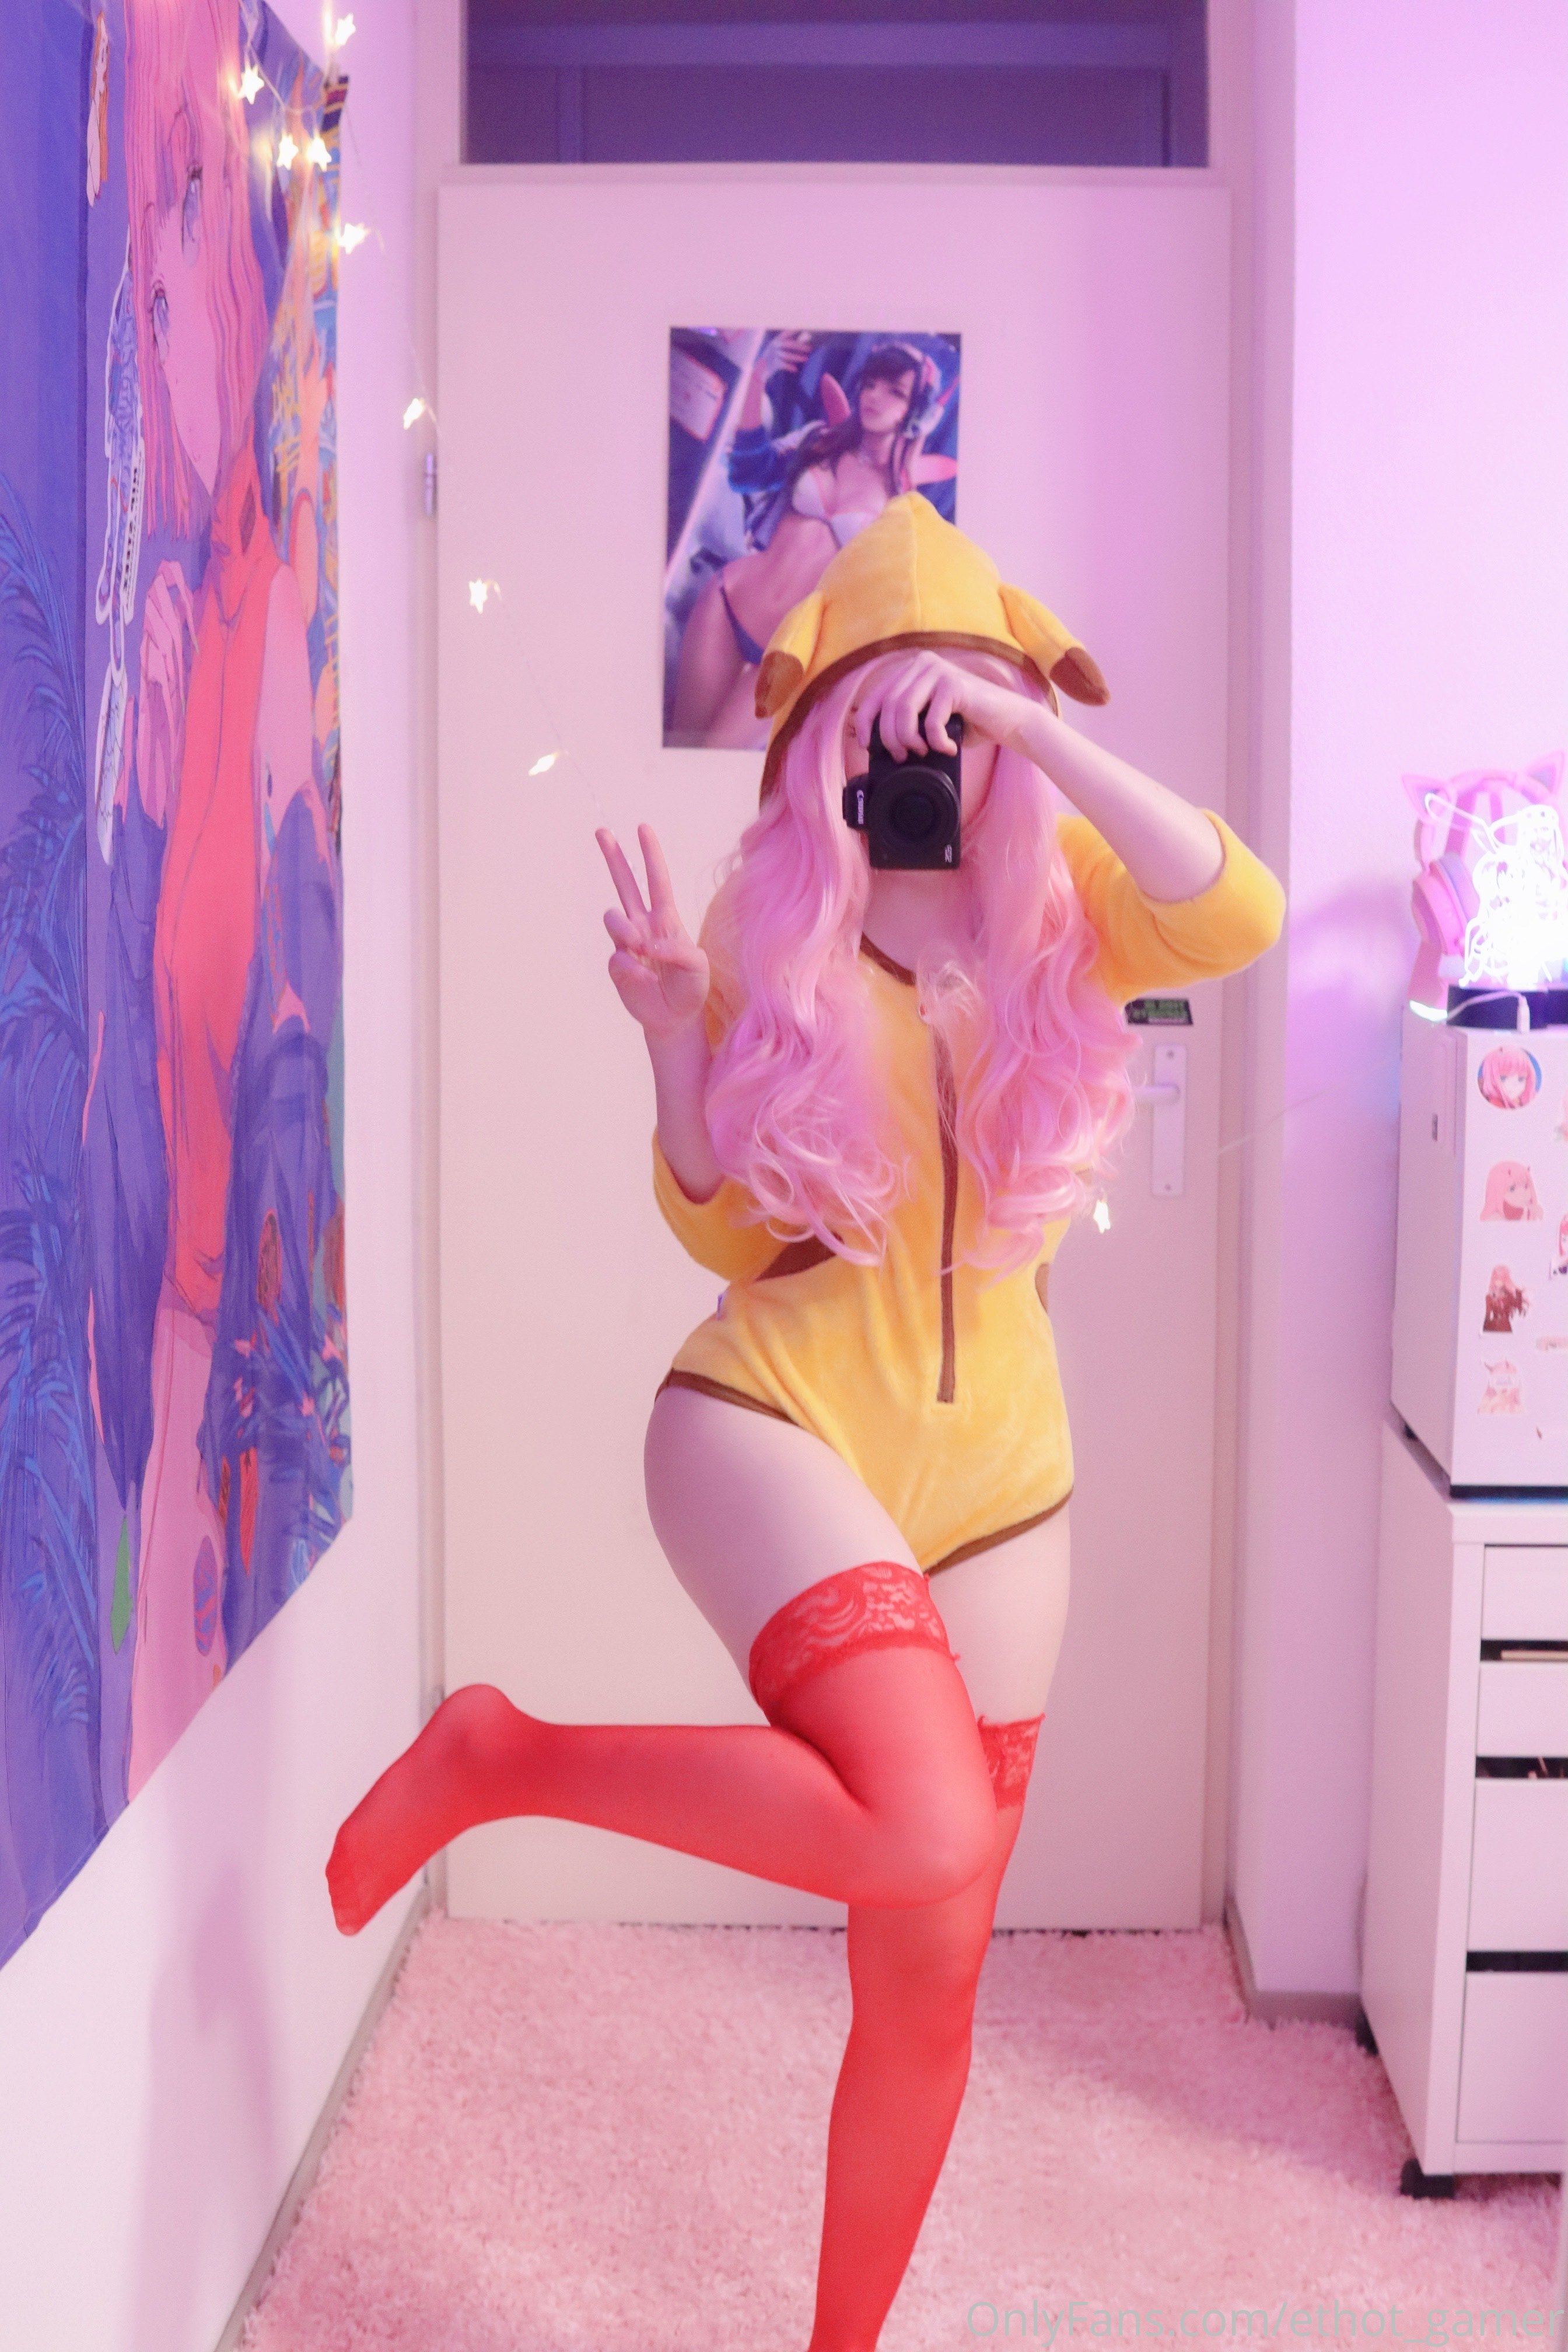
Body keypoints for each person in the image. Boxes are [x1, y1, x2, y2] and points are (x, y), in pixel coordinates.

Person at [328, 496, 1284, 2350]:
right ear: (821, 737)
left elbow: (1233, 909)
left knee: (930, 1976)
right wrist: (672, 1036)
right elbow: (719, 1226)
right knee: (923, 1825)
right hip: (774, 1419)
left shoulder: (1073, 907)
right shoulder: (774, 927)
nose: (925, 754)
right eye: (886, 714)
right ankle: (499, 1758)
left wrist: (1032, 734)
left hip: (1004, 1485)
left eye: (955, 715)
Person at [87, 0, 343, 1796]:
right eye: (154, 228)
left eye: (193, 207)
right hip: (172, 1319)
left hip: (211, 1310)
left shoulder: (262, 608)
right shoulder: (186, 620)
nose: (161, 291)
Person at [670, 338, 956, 748]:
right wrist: (757, 378)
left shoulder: (904, 505)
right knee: (682, 752)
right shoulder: (821, 440)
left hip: (792, 652)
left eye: (896, 392)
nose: (876, 397)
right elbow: (748, 473)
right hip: (729, 601)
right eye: (871, 384)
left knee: (718, 756)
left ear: (919, 414)